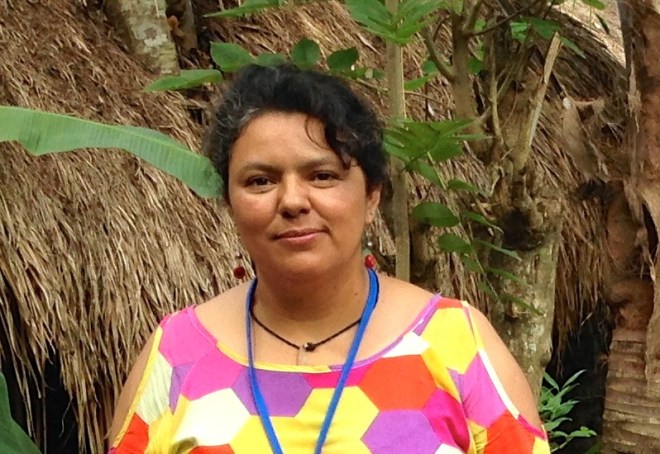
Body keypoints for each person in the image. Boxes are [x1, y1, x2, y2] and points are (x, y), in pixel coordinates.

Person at [109, 64, 550, 453]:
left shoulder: (457, 343)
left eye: (322, 175)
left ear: (372, 194)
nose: (293, 201)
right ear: (228, 201)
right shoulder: (177, 354)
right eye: (260, 181)